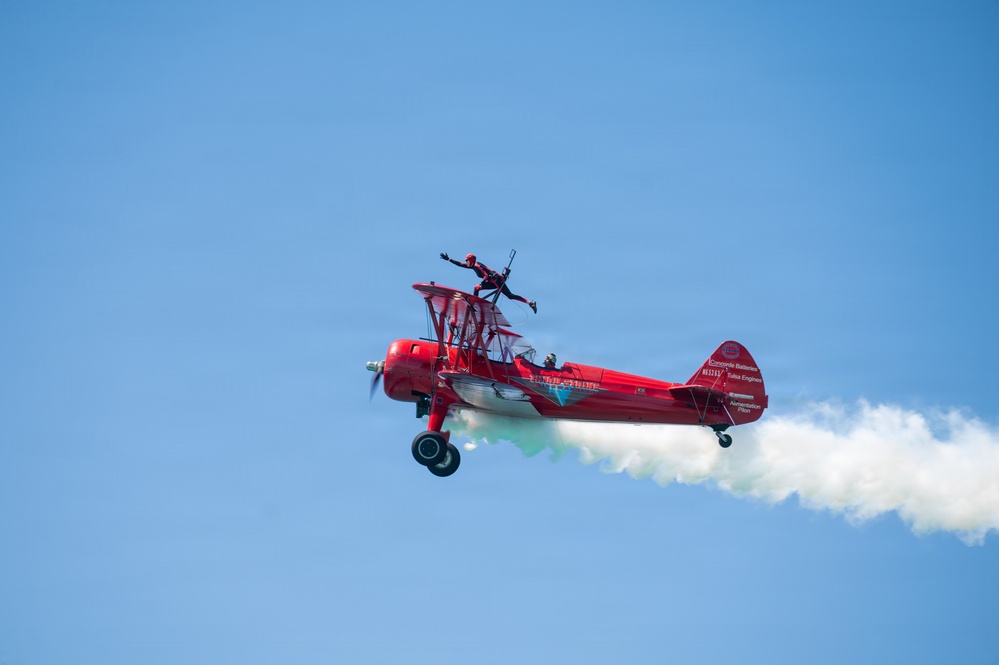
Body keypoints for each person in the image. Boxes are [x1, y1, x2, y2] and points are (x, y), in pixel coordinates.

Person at [440, 252, 537, 313]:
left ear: (471, 260)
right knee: (477, 288)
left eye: (467, 260)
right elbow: (460, 264)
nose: (466, 262)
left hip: (497, 280)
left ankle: (530, 303)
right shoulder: (472, 265)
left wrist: (482, 284)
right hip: (493, 281)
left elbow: (486, 275)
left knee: (510, 296)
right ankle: (474, 305)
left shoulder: (477, 266)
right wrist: (449, 259)